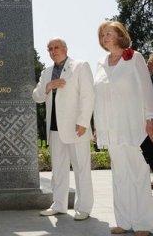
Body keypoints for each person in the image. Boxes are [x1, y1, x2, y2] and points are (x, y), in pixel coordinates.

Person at [93, 21, 153, 236]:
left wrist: (150, 118)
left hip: (133, 124)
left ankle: (144, 223)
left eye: (109, 33)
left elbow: (147, 89)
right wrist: (98, 126)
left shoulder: (133, 57)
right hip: (111, 127)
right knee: (119, 175)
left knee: (138, 172)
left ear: (120, 35)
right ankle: (124, 221)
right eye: (102, 34)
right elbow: (97, 97)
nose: (105, 37)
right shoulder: (100, 62)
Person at [32, 37, 94, 221]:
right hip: (54, 129)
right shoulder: (46, 72)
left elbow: (88, 95)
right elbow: (36, 96)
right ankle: (59, 205)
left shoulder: (80, 66)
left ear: (65, 48)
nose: (53, 51)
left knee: (81, 168)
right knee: (58, 170)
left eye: (56, 47)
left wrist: (83, 122)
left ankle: (84, 208)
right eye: (49, 48)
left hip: (76, 128)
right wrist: (48, 86)